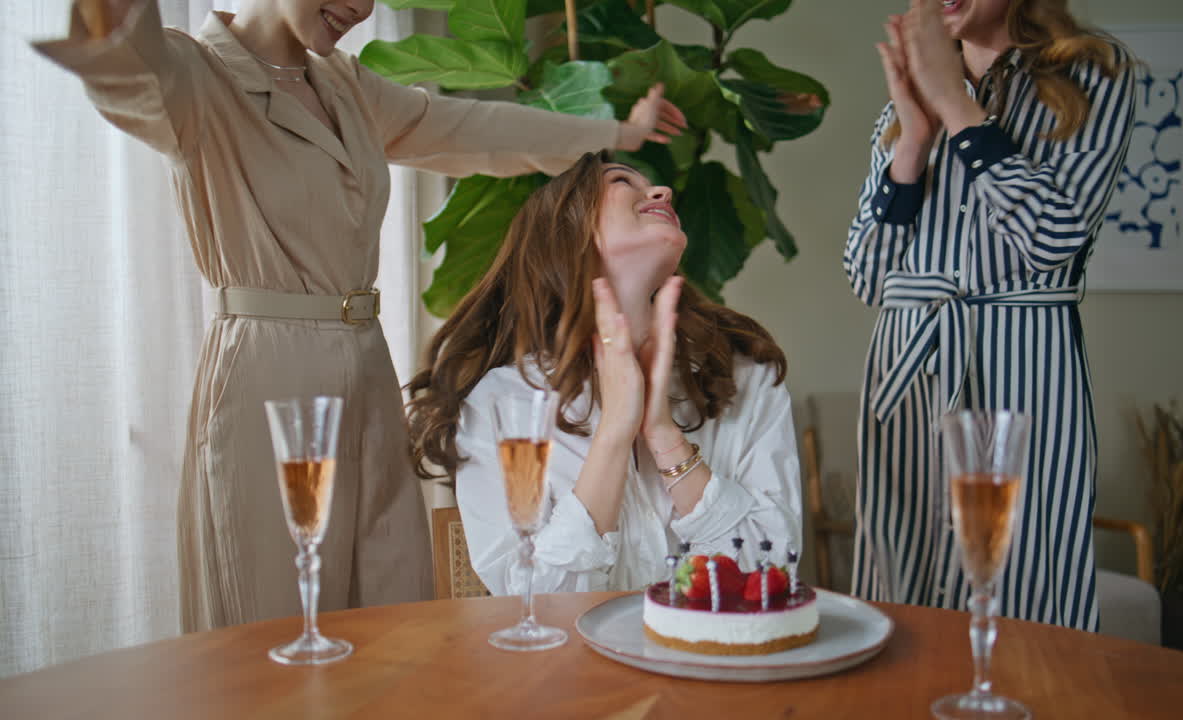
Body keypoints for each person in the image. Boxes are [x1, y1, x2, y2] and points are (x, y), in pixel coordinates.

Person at [32, 0, 687, 631]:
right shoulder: (197, 76)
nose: (360, 7)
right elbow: (117, 56)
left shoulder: (347, 86)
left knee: (391, 606)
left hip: (369, 370)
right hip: (268, 377)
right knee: (276, 623)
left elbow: (478, 132)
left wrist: (615, 134)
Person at [844, 0, 1136, 630]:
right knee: (904, 580)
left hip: (1025, 361)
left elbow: (1051, 238)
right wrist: (914, 141)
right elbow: (868, 275)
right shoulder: (900, 112)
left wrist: (959, 111)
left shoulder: (1094, 74)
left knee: (1026, 573)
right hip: (910, 366)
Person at [406, 152, 801, 593]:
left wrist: (664, 436)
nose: (661, 192)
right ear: (567, 231)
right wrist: (615, 431)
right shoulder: (502, 404)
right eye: (620, 180)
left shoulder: (745, 377)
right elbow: (533, 603)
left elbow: (769, 575)